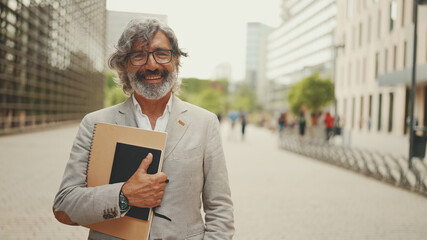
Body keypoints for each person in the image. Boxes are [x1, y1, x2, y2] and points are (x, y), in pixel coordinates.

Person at [52, 18, 234, 240]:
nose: (152, 65)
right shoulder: (95, 123)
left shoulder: (205, 123)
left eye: (161, 53)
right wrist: (123, 195)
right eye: (139, 55)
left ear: (175, 60)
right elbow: (64, 206)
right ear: (124, 64)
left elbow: (220, 208)